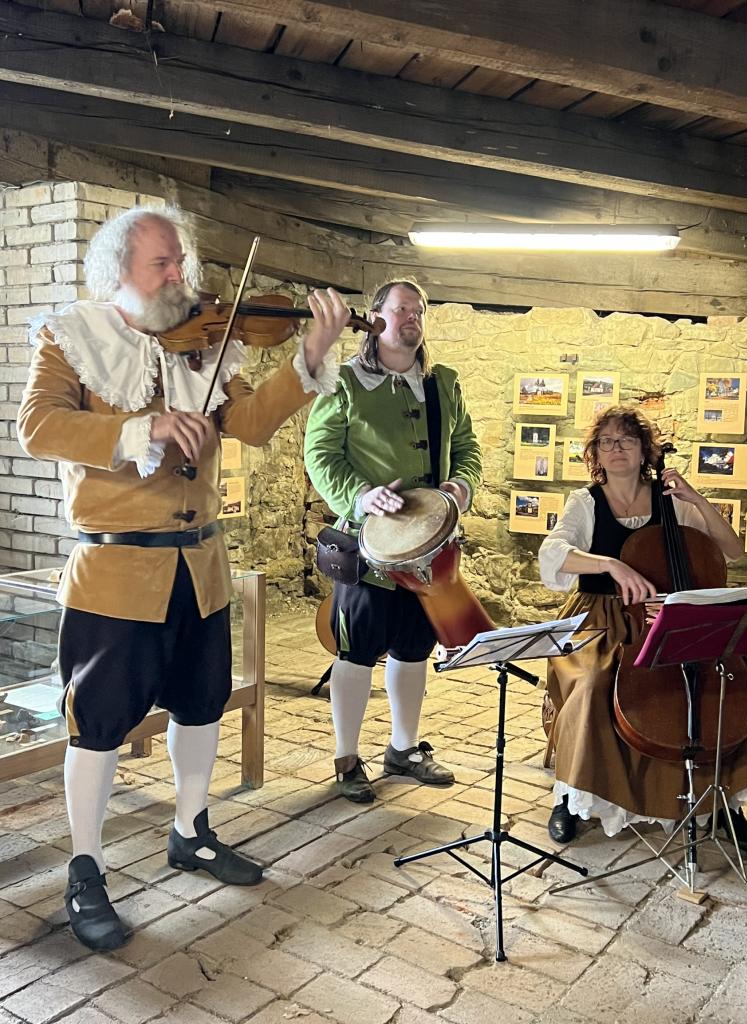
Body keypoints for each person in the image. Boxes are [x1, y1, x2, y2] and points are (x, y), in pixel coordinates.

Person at [17, 207, 350, 951]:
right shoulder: (72, 337)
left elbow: (252, 422)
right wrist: (145, 428)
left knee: (201, 706)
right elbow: (37, 427)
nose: (180, 277)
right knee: (98, 724)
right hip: (115, 571)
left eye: (181, 262)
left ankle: (191, 830)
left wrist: (310, 352)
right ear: (119, 273)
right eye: (161, 264)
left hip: (199, 567)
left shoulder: (203, 346)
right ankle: (85, 867)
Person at [538, 405, 747, 846]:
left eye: (627, 440)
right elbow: (553, 553)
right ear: (595, 453)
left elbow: (733, 550)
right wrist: (609, 564)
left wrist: (696, 499)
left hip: (666, 615)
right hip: (601, 617)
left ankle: (725, 801)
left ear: (645, 450)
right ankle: (570, 795)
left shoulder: (670, 500)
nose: (617, 448)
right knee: (591, 684)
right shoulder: (585, 502)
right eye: (607, 441)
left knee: (739, 678)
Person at [304, 279, 482, 803]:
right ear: (376, 317)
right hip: (370, 550)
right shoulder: (344, 382)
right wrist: (361, 496)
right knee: (356, 652)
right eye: (401, 308)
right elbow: (320, 455)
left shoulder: (441, 384)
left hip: (430, 550)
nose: (412, 317)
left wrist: (461, 486)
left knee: (414, 649)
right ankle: (346, 758)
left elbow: (467, 447)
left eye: (419, 309)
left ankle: (403, 750)